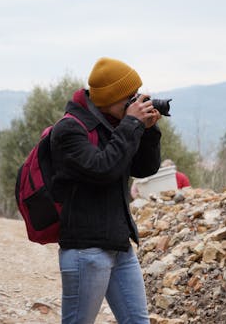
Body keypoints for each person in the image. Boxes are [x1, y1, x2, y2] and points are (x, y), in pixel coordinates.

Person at [50, 57, 162, 323]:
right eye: (130, 97)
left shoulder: (114, 124)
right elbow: (103, 169)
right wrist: (131, 125)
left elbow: (145, 169)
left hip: (119, 245)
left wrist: (147, 131)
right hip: (86, 250)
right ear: (112, 97)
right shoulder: (70, 129)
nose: (136, 101)